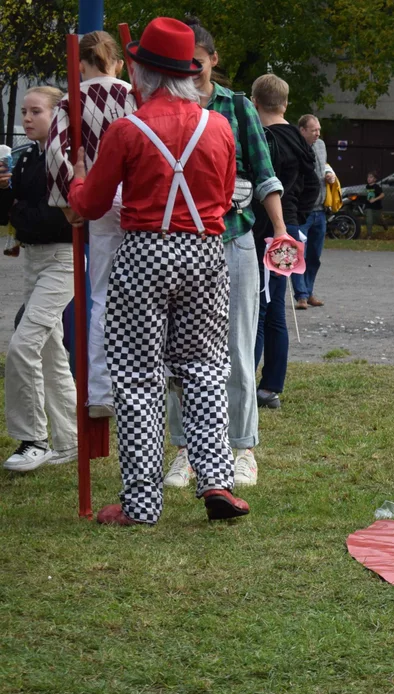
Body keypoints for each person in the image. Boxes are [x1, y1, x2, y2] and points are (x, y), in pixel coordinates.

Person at [68, 16, 249, 525]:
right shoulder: (219, 127)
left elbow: (92, 201)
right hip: (205, 255)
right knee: (205, 370)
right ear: (190, 74)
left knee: (137, 376)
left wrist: (78, 181)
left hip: (144, 252)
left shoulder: (127, 129)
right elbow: (226, 191)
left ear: (142, 72)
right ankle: (216, 478)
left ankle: (142, 503)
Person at [162, 17, 290, 489]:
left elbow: (264, 174)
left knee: (237, 348)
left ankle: (242, 450)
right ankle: (186, 451)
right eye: (182, 64)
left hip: (234, 240)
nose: (190, 71)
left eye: (197, 62)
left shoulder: (238, 107)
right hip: (179, 242)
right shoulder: (166, 107)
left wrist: (278, 232)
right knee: (181, 352)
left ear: (213, 60)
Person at [45, 31, 138, 420]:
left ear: (80, 63)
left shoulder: (72, 99)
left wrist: (70, 200)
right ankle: (139, 378)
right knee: (140, 289)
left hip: (98, 195)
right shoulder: (132, 94)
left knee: (100, 293)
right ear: (115, 60)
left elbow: (55, 152)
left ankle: (101, 391)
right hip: (136, 195)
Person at [0, 86, 78, 472]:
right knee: (49, 350)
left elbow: (60, 218)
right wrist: (5, 194)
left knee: (23, 343)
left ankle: (34, 438)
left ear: (57, 115)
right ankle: (70, 438)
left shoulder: (64, 159)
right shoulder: (26, 157)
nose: (27, 118)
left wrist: (17, 208)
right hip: (33, 259)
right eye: (25, 112)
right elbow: (9, 215)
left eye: (36, 112)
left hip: (63, 259)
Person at [251, 75, 320, 411]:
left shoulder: (263, 139)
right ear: (286, 103)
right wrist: (298, 217)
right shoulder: (300, 139)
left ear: (254, 102)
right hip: (290, 227)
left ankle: (249, 380)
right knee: (275, 305)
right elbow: (313, 184)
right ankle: (271, 384)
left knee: (261, 306)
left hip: (268, 229)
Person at [293, 114, 334, 309]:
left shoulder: (321, 145)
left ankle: (309, 292)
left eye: (319, 130)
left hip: (320, 210)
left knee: (314, 256)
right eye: (313, 130)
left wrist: (329, 174)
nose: (317, 133)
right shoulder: (295, 145)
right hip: (302, 212)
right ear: (302, 130)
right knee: (298, 254)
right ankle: (300, 295)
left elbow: (324, 164)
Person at [362, 171, 387, 238]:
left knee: (379, 220)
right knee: (369, 220)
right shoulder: (366, 187)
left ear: (375, 179)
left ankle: (384, 225)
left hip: (377, 207)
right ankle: (369, 234)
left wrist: (374, 199)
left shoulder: (376, 187)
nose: (369, 178)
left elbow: (382, 195)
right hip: (368, 207)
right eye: (368, 177)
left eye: (371, 177)